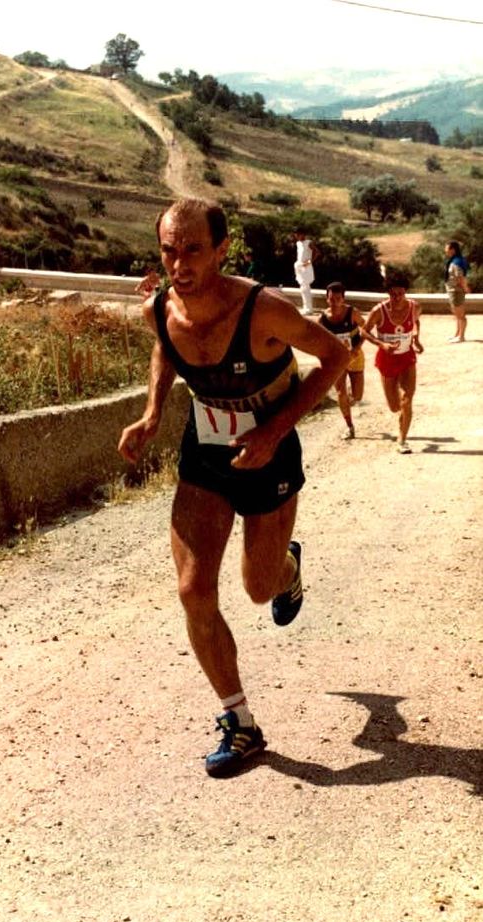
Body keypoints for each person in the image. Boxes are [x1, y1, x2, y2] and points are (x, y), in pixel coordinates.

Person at [118, 198, 348, 778]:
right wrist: (150, 414)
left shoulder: (263, 310)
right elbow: (164, 350)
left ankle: (286, 570)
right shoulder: (159, 309)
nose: (180, 262)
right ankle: (239, 723)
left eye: (193, 249)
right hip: (206, 455)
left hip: (269, 456)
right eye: (169, 249)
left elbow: (336, 355)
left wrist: (273, 430)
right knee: (194, 589)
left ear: (222, 250)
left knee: (257, 586)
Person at [363, 272, 423, 454]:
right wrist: (381, 344)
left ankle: (402, 439)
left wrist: (416, 338)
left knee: (408, 399)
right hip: (387, 360)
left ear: (405, 292)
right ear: (388, 293)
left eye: (400, 294)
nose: (396, 298)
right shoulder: (378, 311)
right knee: (394, 406)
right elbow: (363, 332)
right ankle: (399, 407)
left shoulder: (414, 307)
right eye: (393, 294)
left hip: (406, 357)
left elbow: (416, 322)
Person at [318, 281, 366, 440]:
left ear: (343, 299)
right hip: (335, 360)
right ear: (327, 299)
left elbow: (366, 329)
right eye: (331, 299)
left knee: (358, 396)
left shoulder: (353, 313)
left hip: (355, 356)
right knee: (340, 392)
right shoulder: (323, 318)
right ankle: (350, 426)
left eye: (338, 299)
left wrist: (357, 347)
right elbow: (316, 339)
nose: (334, 302)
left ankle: (349, 400)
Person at [444, 240, 469, 343]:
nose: (445, 250)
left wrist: (465, 288)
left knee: (460, 315)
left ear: (453, 250)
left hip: (456, 291)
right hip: (453, 291)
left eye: (447, 248)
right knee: (457, 315)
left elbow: (460, 277)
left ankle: (461, 337)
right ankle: (457, 334)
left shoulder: (457, 262)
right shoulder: (454, 260)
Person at [293, 229, 319, 315]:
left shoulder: (308, 242)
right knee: (302, 288)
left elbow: (317, 252)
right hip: (299, 266)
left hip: (306, 267)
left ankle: (309, 309)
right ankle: (305, 307)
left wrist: (308, 262)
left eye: (298, 234)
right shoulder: (298, 243)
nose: (296, 236)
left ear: (303, 234)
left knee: (305, 287)